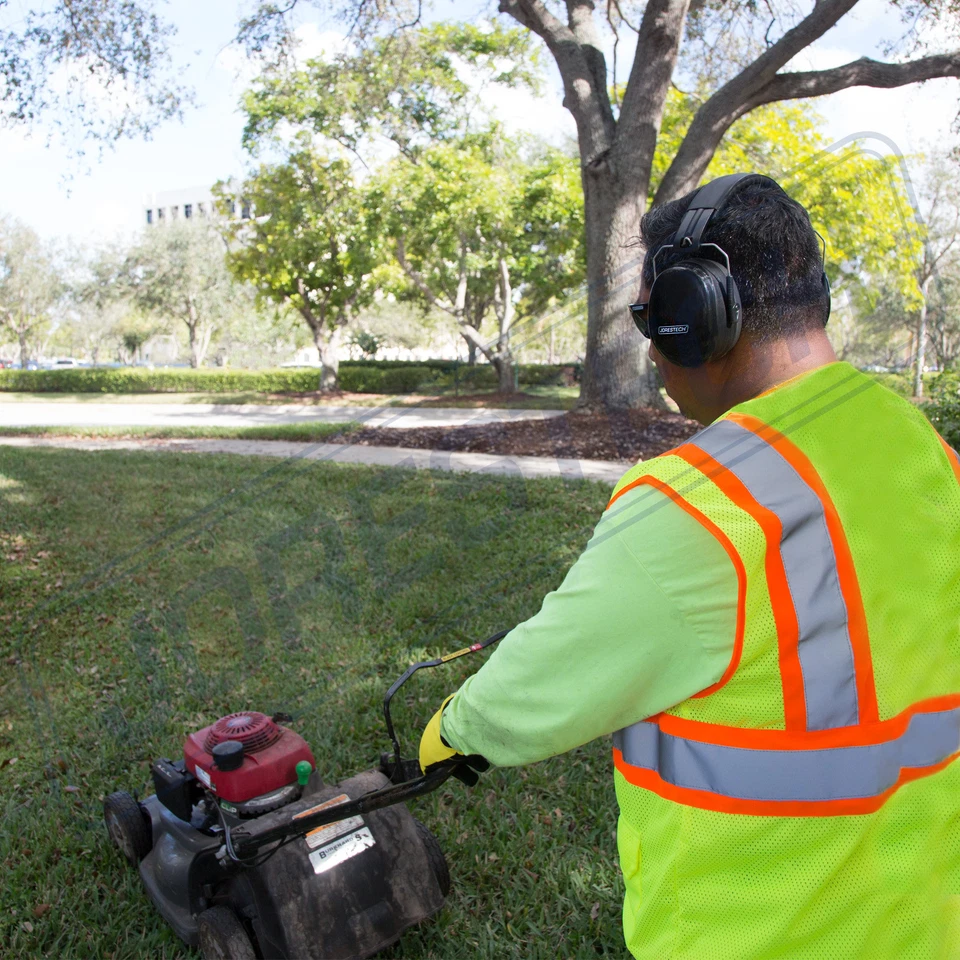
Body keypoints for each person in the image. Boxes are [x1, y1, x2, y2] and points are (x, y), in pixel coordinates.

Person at [419, 173, 960, 959]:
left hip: (758, 933)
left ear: (691, 317)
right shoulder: (922, 447)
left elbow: (536, 687)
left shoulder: (700, 504)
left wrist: (451, 730)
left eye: (649, 317)